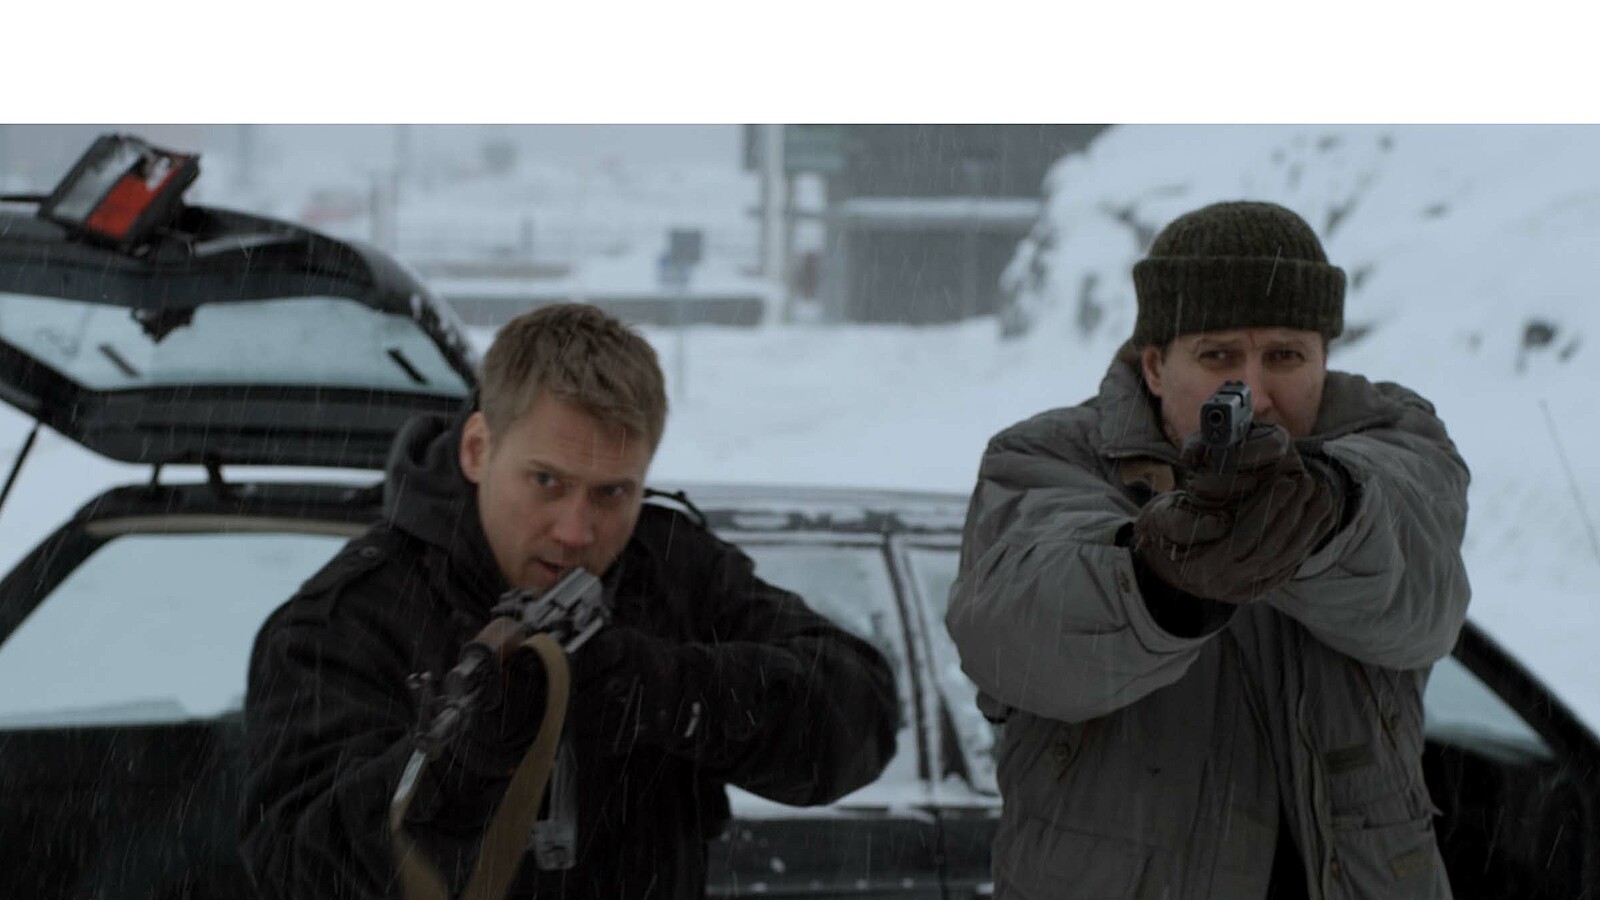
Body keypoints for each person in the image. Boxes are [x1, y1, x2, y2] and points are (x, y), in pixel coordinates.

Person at [239, 303, 898, 899]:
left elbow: (859, 718)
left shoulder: (670, 569)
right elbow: (295, 869)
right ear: (477, 449)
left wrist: (670, 691)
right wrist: (458, 761)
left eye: (613, 492)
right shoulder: (349, 620)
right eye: (547, 482)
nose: (578, 531)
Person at [945, 201, 1469, 899]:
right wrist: (1159, 582)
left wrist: (1325, 510)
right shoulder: (1046, 457)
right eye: (1218, 356)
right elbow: (1017, 637)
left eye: (1285, 356)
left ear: (1324, 359)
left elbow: (1421, 595)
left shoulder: (1393, 439)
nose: (1253, 394)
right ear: (1155, 365)